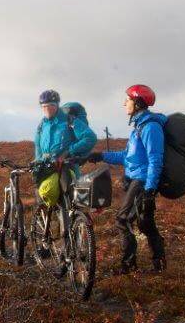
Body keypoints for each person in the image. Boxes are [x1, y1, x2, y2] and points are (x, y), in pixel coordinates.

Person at [86, 84, 167, 273]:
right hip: (136, 179)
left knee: (123, 219)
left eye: (128, 100)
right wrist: (101, 156)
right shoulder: (138, 126)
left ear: (137, 103)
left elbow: (155, 159)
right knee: (145, 222)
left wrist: (150, 189)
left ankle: (128, 266)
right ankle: (159, 260)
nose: (125, 103)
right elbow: (126, 156)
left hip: (142, 181)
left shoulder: (150, 127)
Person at [33, 90, 97, 214]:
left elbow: (90, 138)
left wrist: (68, 152)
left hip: (67, 167)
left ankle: (77, 229)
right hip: (47, 169)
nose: (47, 109)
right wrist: (37, 161)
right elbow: (38, 147)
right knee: (46, 202)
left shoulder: (69, 120)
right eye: (43, 106)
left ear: (57, 105)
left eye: (50, 105)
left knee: (72, 205)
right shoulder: (42, 125)